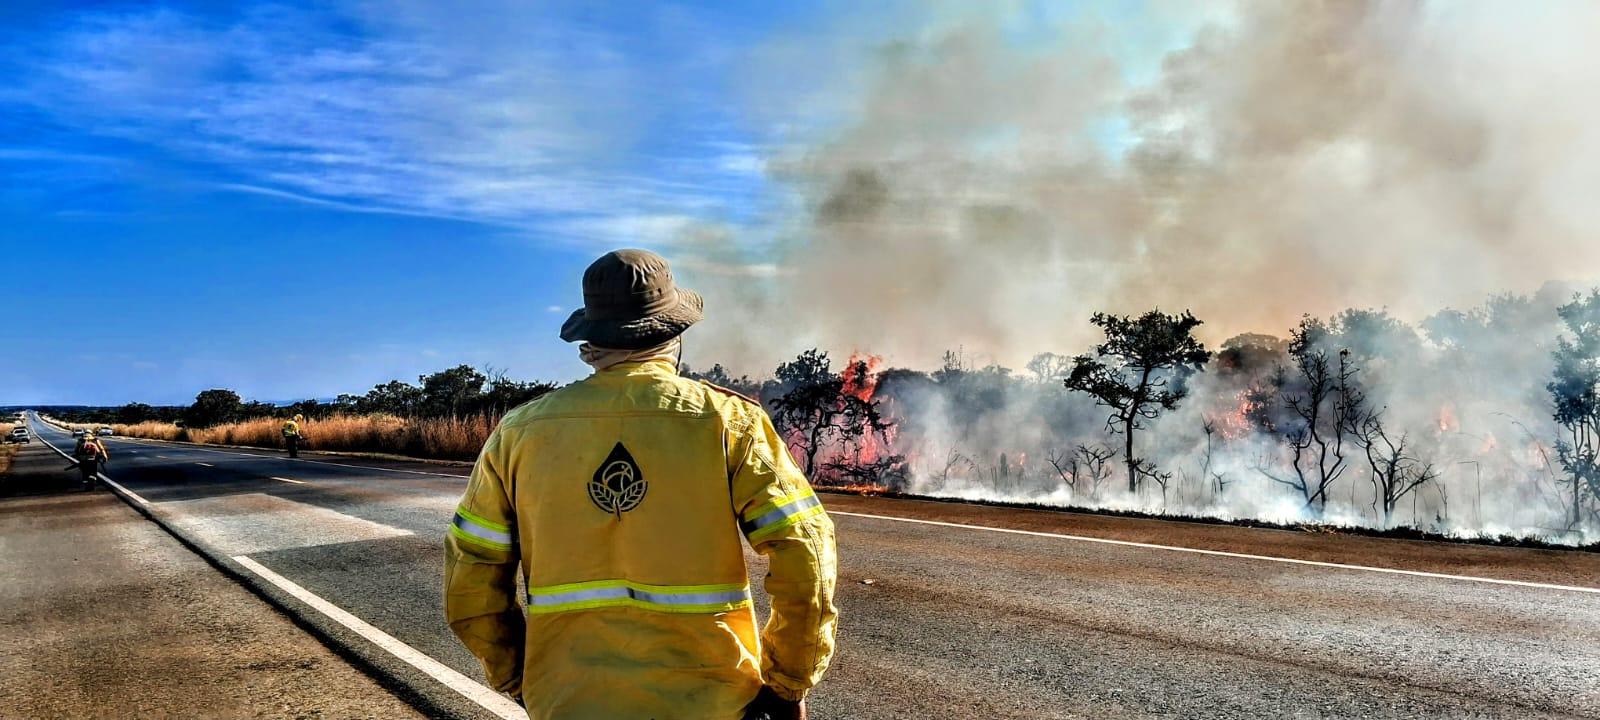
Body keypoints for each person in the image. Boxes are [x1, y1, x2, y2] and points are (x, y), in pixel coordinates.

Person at [444, 249, 838, 720]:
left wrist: (517, 678)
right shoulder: (728, 421)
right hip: (712, 704)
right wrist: (788, 683)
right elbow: (806, 552)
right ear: (673, 332)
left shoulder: (519, 432)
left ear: (591, 336)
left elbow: (472, 575)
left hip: (568, 702)